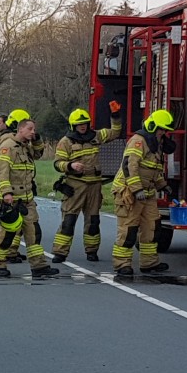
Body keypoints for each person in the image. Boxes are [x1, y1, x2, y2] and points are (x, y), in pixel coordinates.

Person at [51, 102, 123, 263]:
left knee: (93, 221)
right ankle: (60, 252)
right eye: (79, 124)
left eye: (84, 124)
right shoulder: (66, 142)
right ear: (73, 125)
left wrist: (115, 115)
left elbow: (115, 132)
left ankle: (92, 251)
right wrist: (70, 166)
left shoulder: (96, 136)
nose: (82, 127)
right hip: (75, 185)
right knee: (69, 220)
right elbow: (57, 163)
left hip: (94, 185)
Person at [0, 118, 60, 278]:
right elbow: (2, 172)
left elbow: (38, 153)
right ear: (20, 130)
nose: (33, 131)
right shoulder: (7, 147)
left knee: (33, 233)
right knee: (6, 235)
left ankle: (39, 266)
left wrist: (37, 139)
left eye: (34, 129)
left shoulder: (26, 148)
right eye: (30, 129)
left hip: (27, 200)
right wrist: (6, 193)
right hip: (11, 201)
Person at [111, 109, 175, 276]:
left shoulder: (156, 144)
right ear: (153, 127)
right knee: (128, 230)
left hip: (147, 193)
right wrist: (136, 189)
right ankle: (122, 264)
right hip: (128, 192)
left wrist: (163, 186)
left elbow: (154, 169)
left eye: (165, 130)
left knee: (152, 227)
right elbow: (129, 166)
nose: (163, 133)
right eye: (162, 129)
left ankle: (149, 263)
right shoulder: (139, 141)